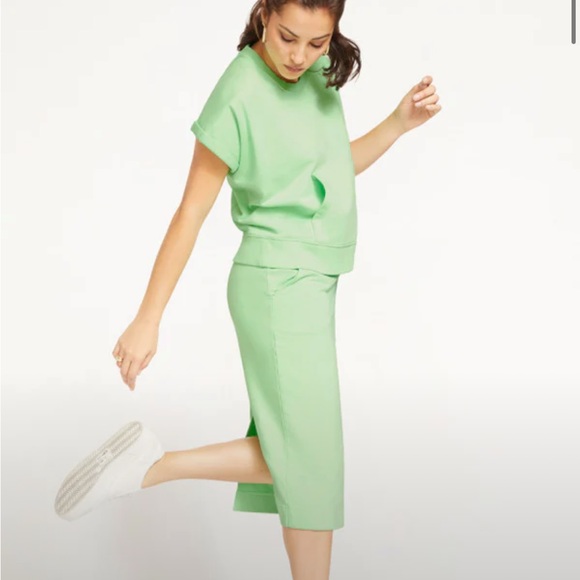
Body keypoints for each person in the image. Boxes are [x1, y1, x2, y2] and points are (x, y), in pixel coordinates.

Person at [54, 0, 441, 578]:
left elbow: (329, 170)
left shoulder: (315, 74)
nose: (301, 56)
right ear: (263, 14)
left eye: (317, 43)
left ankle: (149, 465)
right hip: (276, 285)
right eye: (288, 37)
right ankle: (152, 467)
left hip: (312, 282)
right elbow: (190, 213)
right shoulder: (237, 93)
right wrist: (148, 317)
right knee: (309, 458)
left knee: (304, 461)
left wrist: (398, 123)